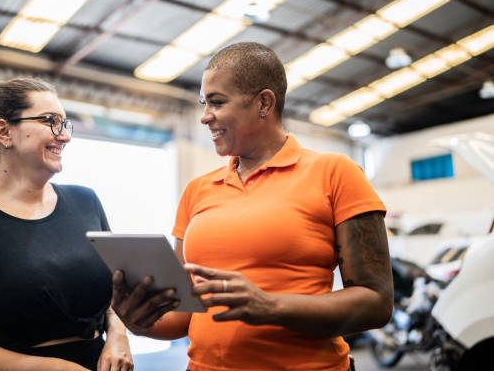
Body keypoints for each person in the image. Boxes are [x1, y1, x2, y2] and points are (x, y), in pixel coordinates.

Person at [111, 42, 393, 371]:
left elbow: (377, 301)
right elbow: (182, 315)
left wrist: (271, 306)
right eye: (204, 103)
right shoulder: (196, 190)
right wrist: (138, 321)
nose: (204, 117)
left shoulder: (335, 172)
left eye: (217, 102)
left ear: (263, 102)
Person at [0, 77, 133, 371]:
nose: (65, 136)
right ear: (4, 131)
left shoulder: (87, 202)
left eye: (64, 123)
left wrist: (119, 337)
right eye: (50, 121)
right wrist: (51, 367)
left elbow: (117, 293)